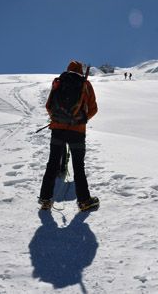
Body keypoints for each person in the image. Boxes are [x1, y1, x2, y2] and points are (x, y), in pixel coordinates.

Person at [38, 60, 99, 211]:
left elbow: (48, 106)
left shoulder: (59, 82)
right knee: (78, 167)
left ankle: (45, 200)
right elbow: (93, 108)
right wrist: (80, 120)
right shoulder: (85, 84)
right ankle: (84, 201)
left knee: (52, 164)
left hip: (57, 130)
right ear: (80, 70)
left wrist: (59, 119)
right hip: (77, 131)